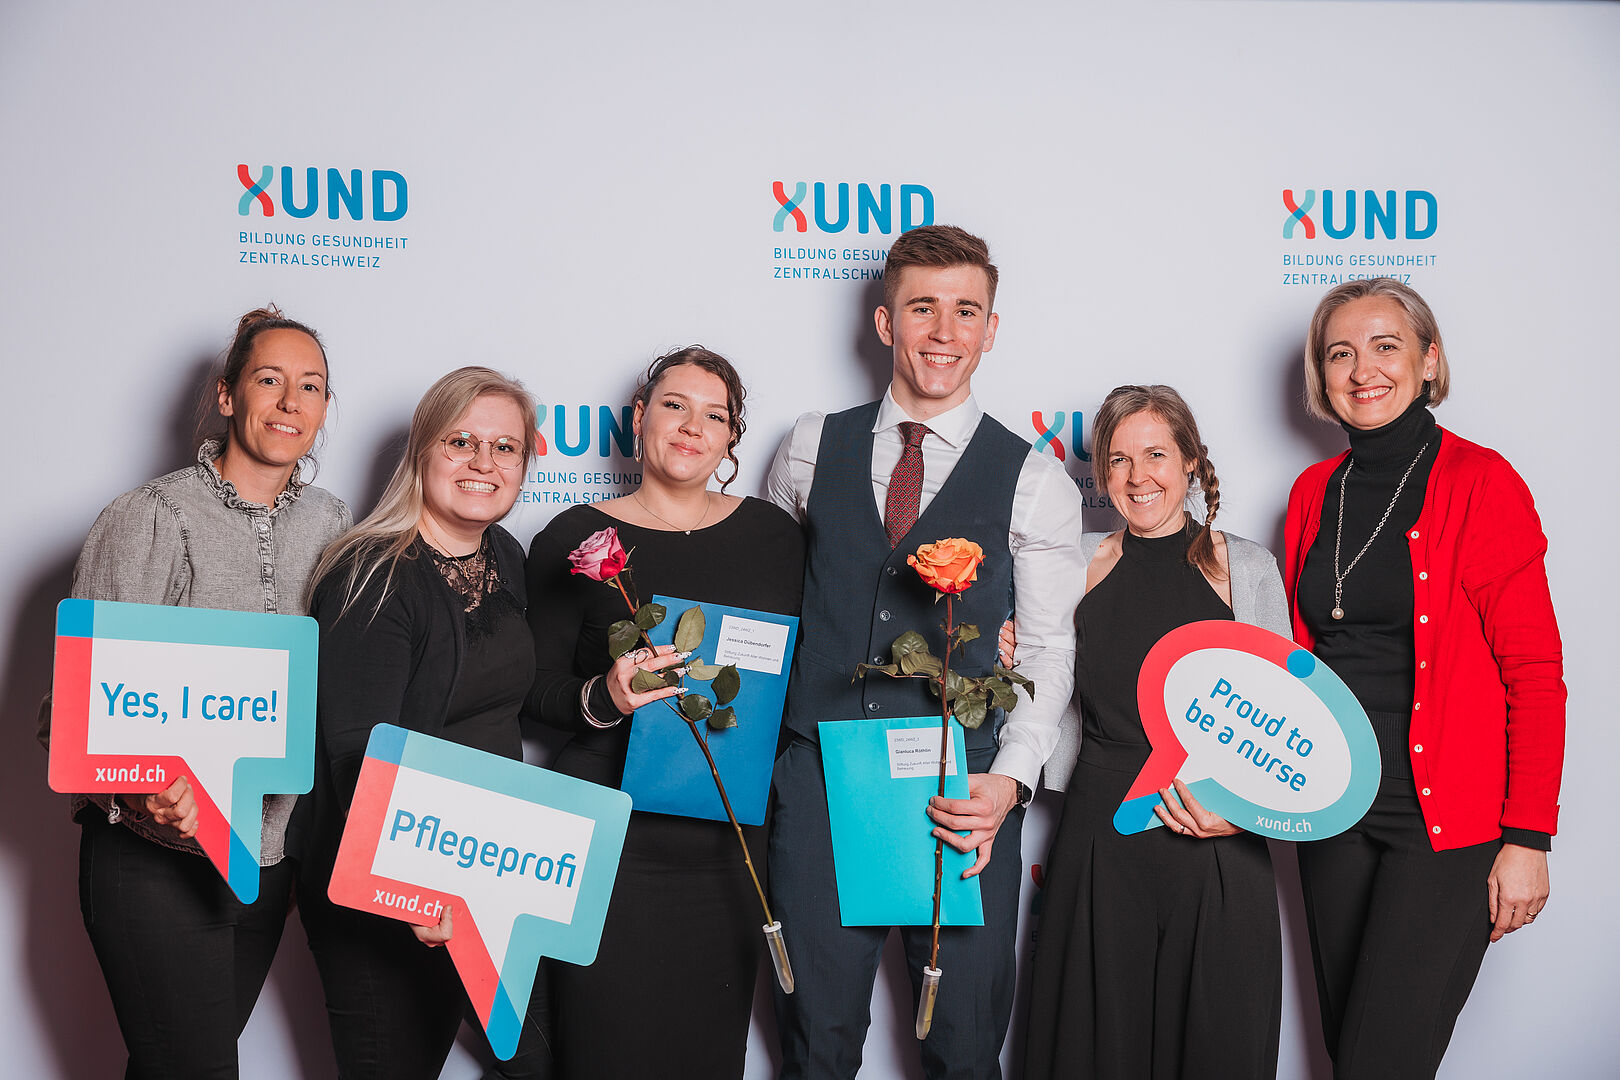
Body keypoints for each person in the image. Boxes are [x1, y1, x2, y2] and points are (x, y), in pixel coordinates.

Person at [764, 224, 1086, 1080]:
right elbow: (781, 592)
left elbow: (1048, 648)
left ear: (991, 329)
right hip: (819, 776)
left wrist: (1009, 782)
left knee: (965, 1046)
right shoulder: (808, 447)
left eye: (965, 311)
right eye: (922, 309)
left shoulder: (1035, 480)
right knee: (815, 1043)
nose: (944, 332)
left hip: (963, 786)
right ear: (884, 323)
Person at [1283, 279, 1565, 1079]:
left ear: (1429, 360)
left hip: (1443, 819)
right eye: (1341, 353)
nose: (1362, 370)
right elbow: (1296, 658)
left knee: (1382, 1060)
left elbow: (1535, 673)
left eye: (1386, 346)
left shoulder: (1482, 482)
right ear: (1321, 373)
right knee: (1349, 1054)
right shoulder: (1312, 493)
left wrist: (1528, 837)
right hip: (1331, 805)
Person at [61, 306, 349, 1079]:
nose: (290, 401)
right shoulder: (151, 515)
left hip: (263, 865)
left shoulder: (334, 523)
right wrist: (147, 787)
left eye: (310, 386)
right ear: (227, 395)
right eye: (269, 379)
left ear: (324, 409)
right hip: (156, 859)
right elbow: (75, 712)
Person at [513, 346, 804, 1079]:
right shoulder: (575, 537)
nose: (692, 427)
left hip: (729, 845)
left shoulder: (776, 539)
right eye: (675, 406)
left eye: (715, 416)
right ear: (641, 417)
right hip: (609, 843)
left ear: (732, 437)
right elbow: (531, 690)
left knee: (708, 1054)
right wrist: (604, 698)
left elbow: (813, 663)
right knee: (602, 1048)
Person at [1022, 385, 1286, 1080]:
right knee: (1093, 1049)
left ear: (1191, 461)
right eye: (1118, 460)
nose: (1138, 477)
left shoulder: (1247, 567)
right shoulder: (1074, 561)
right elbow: (1038, 671)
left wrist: (1243, 812)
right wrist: (1009, 645)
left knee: (1218, 1046)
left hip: (1217, 839)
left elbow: (1288, 724)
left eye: (1156, 455)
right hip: (1102, 836)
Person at [288, 367, 538, 1080]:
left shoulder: (504, 557)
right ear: (422, 451)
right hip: (392, 885)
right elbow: (356, 754)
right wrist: (424, 883)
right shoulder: (372, 576)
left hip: (483, 868)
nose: (484, 462)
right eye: (461, 442)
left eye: (505, 447)